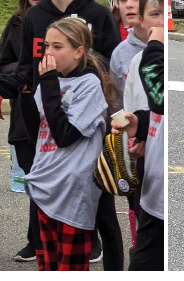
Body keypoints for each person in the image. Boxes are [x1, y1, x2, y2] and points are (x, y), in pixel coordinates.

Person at [0, 0, 121, 268]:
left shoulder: (99, 15)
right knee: (43, 208)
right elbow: (24, 74)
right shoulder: (35, 17)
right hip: (43, 128)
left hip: (87, 128)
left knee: (103, 216)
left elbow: (113, 74)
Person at [26, 16, 119, 271]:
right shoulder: (50, 80)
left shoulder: (88, 85)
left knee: (70, 267)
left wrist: (47, 84)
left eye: (58, 47)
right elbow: (39, 129)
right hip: (46, 180)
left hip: (73, 188)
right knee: (47, 266)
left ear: (79, 51)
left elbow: (64, 135)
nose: (49, 53)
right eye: (46, 46)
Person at [0, 0, 46, 263]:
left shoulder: (64, 20)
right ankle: (35, 240)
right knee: (33, 180)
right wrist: (25, 70)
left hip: (56, 118)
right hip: (23, 117)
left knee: (58, 181)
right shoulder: (15, 23)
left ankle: (86, 239)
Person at [116, 0, 165, 271]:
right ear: (143, 20)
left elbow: (160, 97)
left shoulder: (153, 59)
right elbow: (151, 110)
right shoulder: (139, 60)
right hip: (150, 190)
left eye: (166, 14)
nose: (159, 21)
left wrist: (156, 48)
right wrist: (140, 125)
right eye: (155, 14)